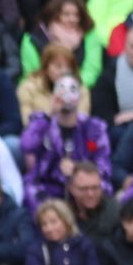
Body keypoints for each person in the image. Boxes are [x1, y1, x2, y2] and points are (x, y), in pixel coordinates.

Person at [21, 74, 111, 208]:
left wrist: (77, 170)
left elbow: (104, 167)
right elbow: (26, 145)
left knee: (105, 192)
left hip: (86, 186)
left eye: (72, 90)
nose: (67, 95)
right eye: (62, 89)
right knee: (32, 193)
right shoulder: (42, 121)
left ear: (80, 97)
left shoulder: (94, 128)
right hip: (49, 186)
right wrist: (49, 113)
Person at [20, 0, 103, 88]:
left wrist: (70, 86)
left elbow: (91, 70)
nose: (72, 19)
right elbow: (32, 73)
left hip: (80, 89)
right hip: (42, 91)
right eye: (66, 14)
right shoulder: (32, 40)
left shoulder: (89, 36)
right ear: (53, 15)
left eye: (77, 15)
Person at [26, 198, 103, 265]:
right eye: (44, 224)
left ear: (66, 221)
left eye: (53, 222)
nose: (49, 228)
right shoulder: (37, 250)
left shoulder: (84, 245)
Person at [18, 42, 91, 122]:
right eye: (58, 66)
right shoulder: (28, 88)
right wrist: (51, 113)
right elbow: (27, 123)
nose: (64, 71)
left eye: (69, 67)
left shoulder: (81, 90)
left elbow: (82, 122)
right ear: (46, 68)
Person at [67, 158, 121, 239]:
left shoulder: (115, 211)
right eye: (84, 189)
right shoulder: (63, 214)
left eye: (95, 188)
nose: (90, 194)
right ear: (71, 189)